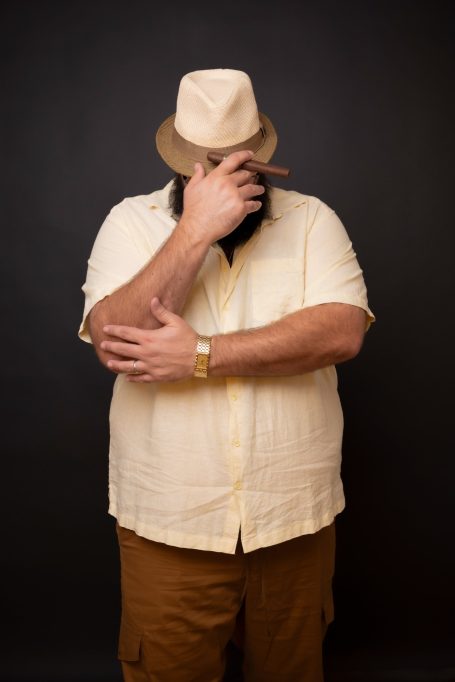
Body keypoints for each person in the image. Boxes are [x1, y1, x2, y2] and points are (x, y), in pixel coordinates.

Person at [79, 68, 374, 682]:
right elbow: (114, 341)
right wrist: (194, 229)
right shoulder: (129, 223)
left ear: (261, 158)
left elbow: (342, 330)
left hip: (293, 518)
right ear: (179, 159)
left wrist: (201, 355)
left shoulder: (314, 220)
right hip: (170, 522)